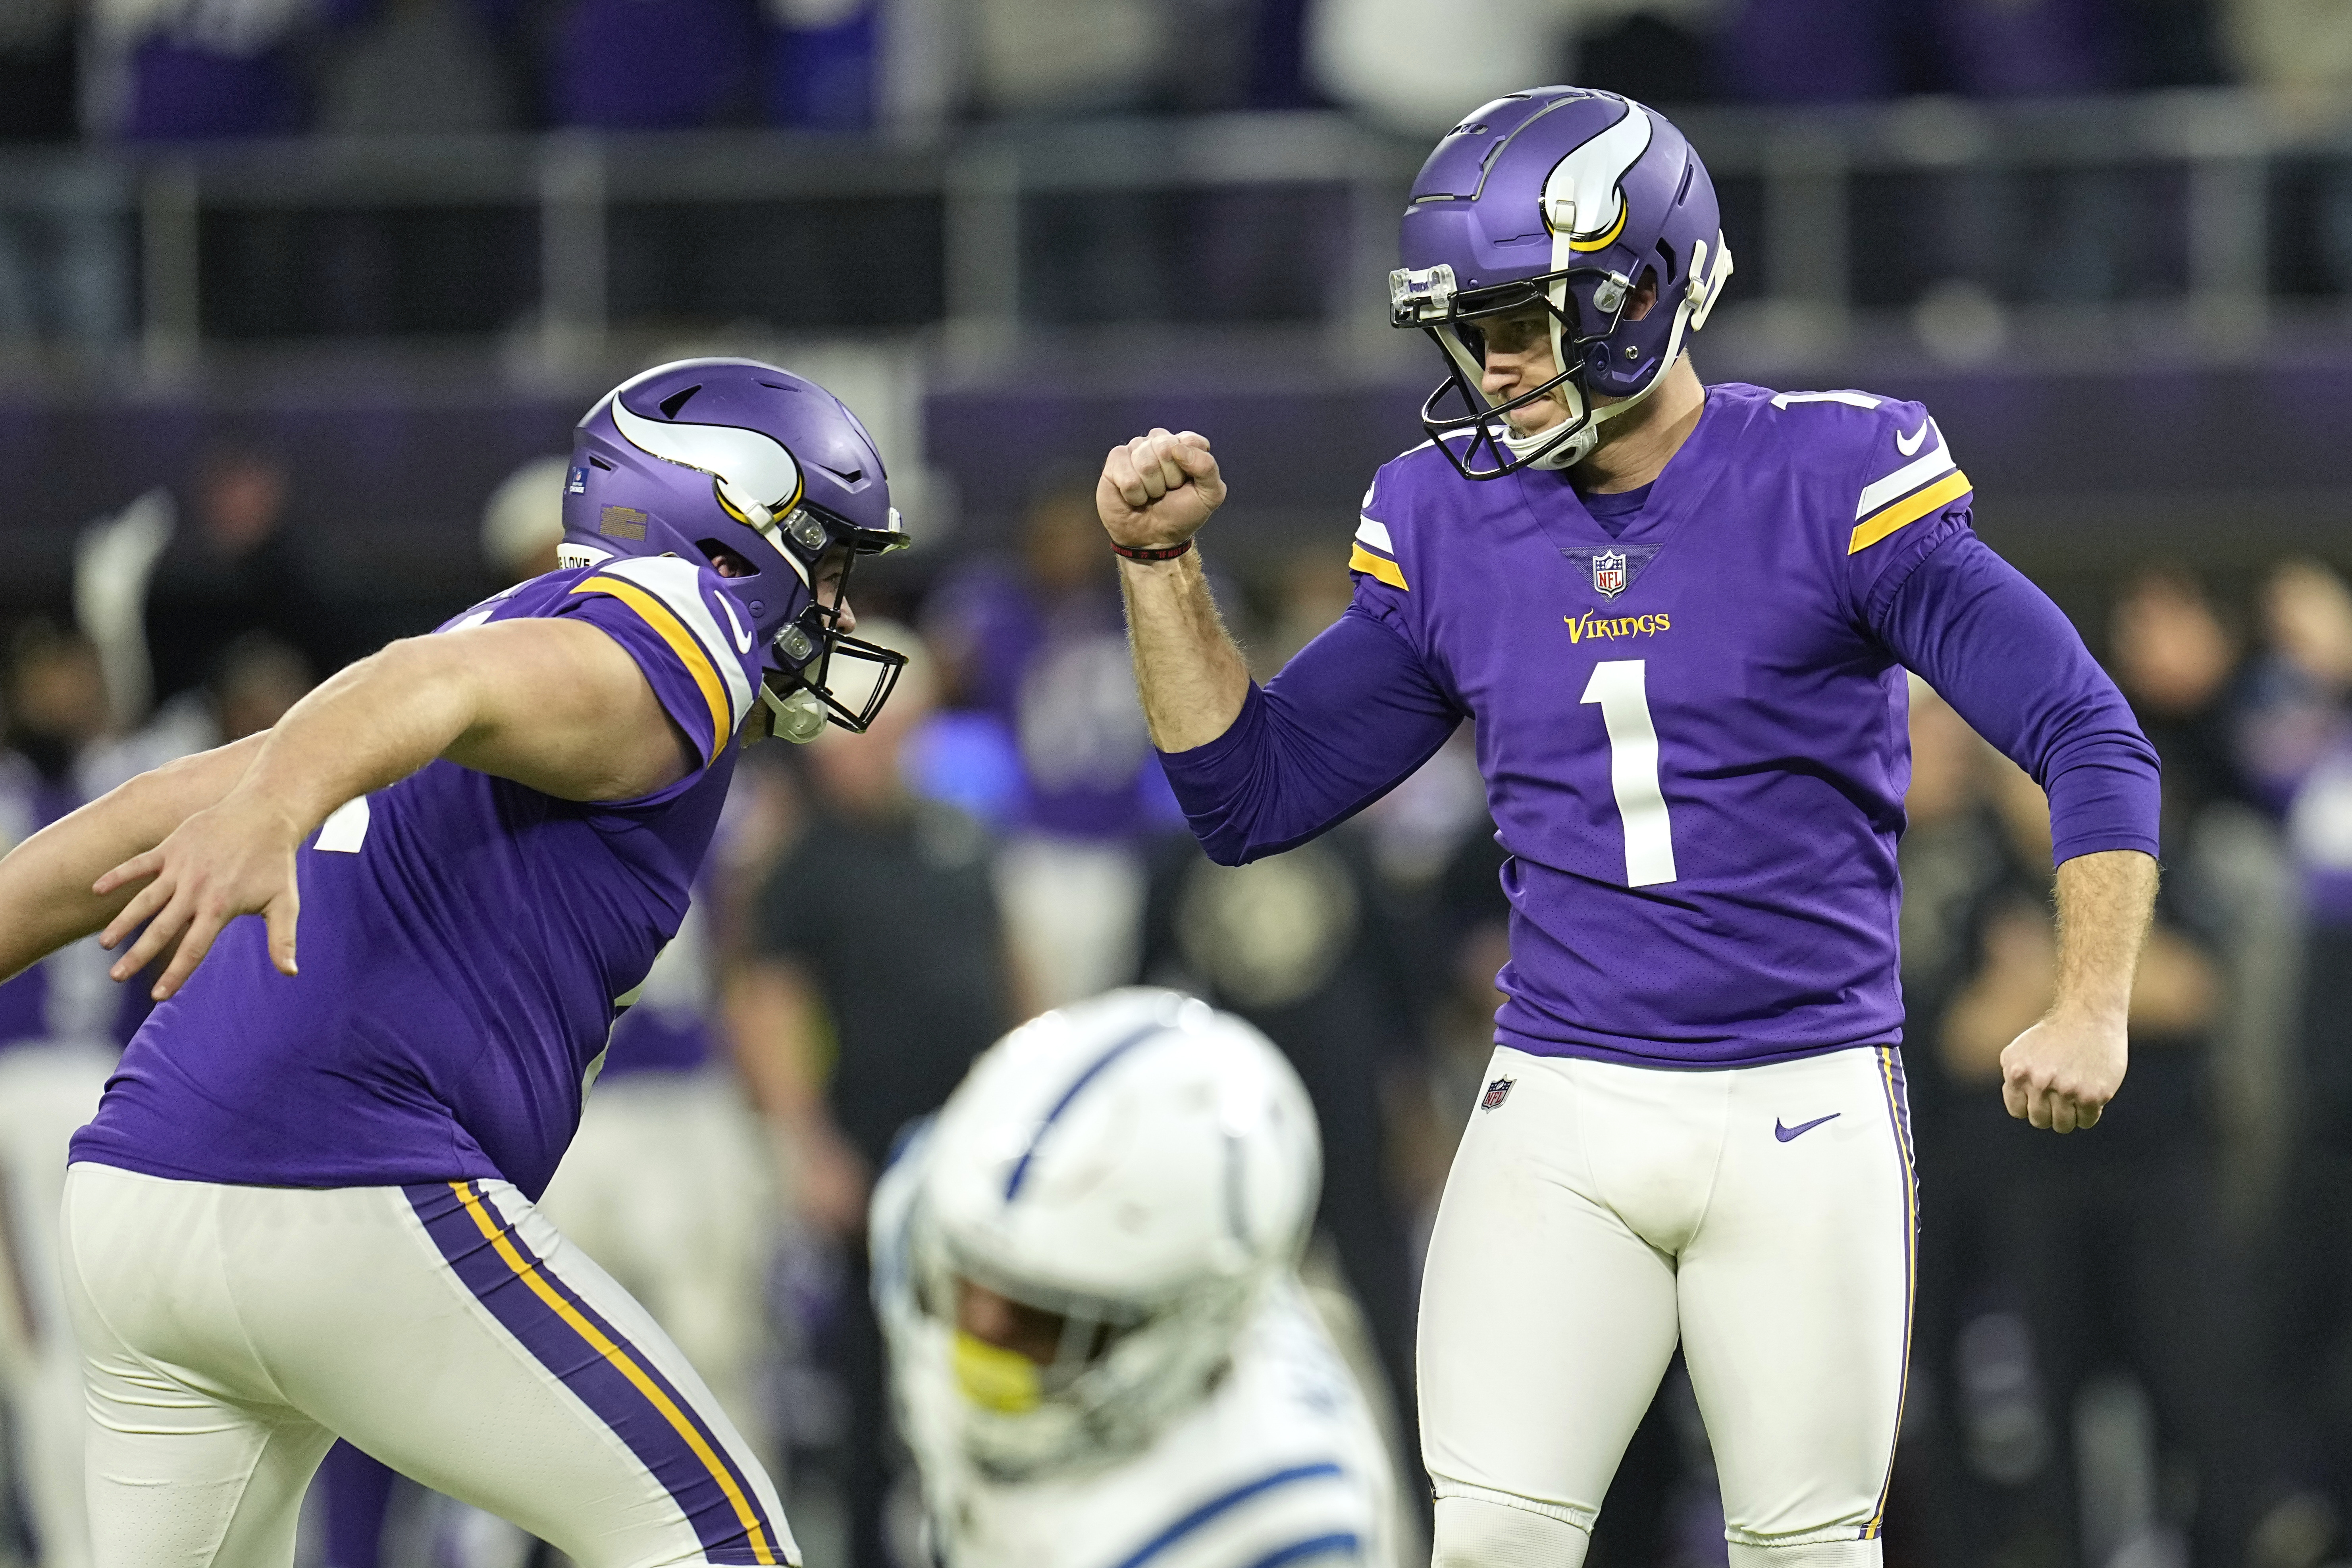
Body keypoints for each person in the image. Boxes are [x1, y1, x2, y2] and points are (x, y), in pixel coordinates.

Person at [1096, 87, 2161, 1568]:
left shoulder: (1829, 477)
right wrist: (1159, 573)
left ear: (1640, 288)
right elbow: (1246, 795)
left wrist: (2090, 1001)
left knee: (1803, 1555)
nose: (1493, 365)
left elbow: (2086, 732)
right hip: (1559, 1103)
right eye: (1470, 329)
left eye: (1521, 321)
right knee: (1488, 1545)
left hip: (1798, 1099)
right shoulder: (1445, 517)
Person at [0, 355, 910, 1567]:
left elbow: (162, 803)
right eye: (829, 567)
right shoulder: (672, 624)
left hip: (138, 1193)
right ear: (730, 539)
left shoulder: (505, 636)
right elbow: (418, 683)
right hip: (335, 1172)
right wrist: (273, 807)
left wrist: (267, 796)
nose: (842, 611)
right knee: (717, 1534)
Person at [871, 986, 1394, 1568]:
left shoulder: (1273, 1525)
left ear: (1193, 1321)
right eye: (962, 1284)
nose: (977, 1331)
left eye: (1044, 1320)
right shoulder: (932, 1211)